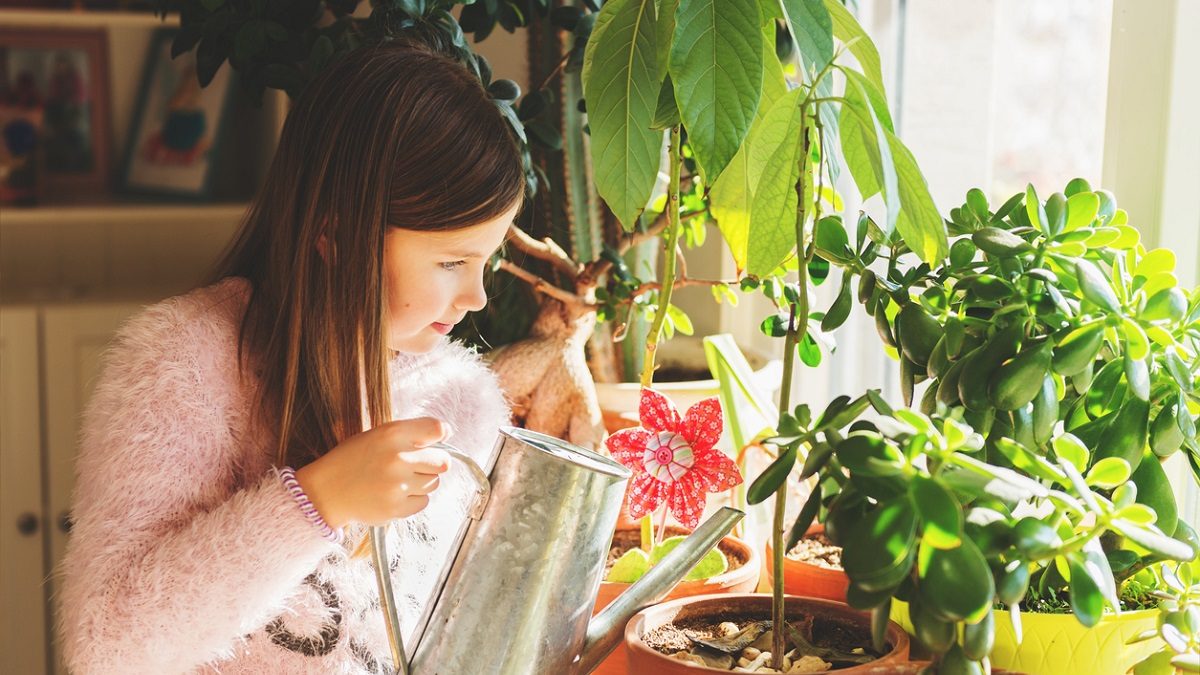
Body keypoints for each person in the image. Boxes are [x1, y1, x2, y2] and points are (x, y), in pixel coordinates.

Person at [55, 37, 525, 674]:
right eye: (451, 261)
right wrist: (317, 501)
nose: (475, 296)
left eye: (485, 261)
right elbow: (106, 647)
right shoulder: (186, 363)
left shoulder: (464, 401)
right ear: (335, 231)